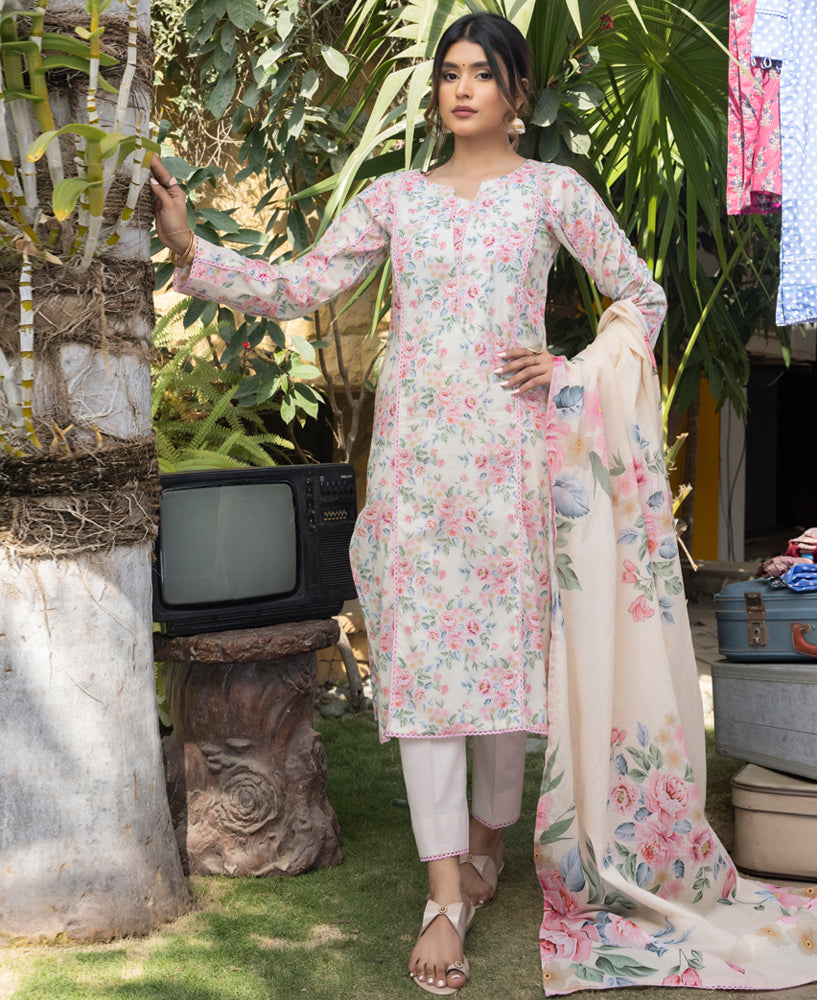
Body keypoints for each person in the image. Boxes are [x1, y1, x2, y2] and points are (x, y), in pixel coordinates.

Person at [150, 12, 665, 995]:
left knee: (503, 670)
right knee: (427, 671)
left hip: (509, 470)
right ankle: (442, 893)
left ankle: (489, 835)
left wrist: (570, 365)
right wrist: (192, 250)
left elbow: (640, 297)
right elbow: (301, 285)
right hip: (416, 474)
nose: (461, 88)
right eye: (450, 73)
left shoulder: (553, 192)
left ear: (518, 94)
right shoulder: (395, 200)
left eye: (483, 74)